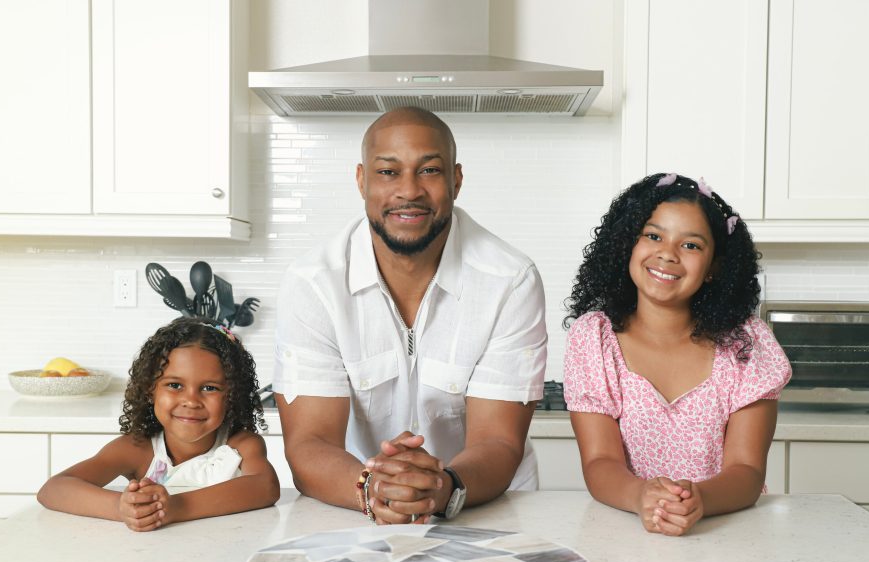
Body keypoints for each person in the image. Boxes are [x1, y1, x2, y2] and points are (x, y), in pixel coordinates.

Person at [274, 106, 547, 524]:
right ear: (362, 180)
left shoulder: (510, 280)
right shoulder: (314, 284)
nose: (409, 191)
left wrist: (443, 487)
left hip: (484, 514)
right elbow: (309, 443)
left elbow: (499, 441)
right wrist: (375, 488)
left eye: (429, 171)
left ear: (456, 180)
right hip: (354, 507)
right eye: (388, 172)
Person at [563, 173, 791, 536]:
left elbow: (747, 471)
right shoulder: (595, 338)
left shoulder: (747, 344)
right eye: (653, 236)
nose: (667, 254)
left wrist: (698, 499)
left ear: (715, 266)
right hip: (628, 531)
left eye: (692, 246)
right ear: (627, 246)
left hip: (729, 534)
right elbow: (599, 461)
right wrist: (642, 496)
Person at [37, 318, 280, 531]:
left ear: (232, 396)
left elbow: (265, 487)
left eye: (210, 388)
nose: (190, 401)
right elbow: (54, 489)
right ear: (150, 389)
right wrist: (120, 508)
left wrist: (176, 507)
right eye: (175, 385)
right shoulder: (138, 449)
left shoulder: (240, 445)